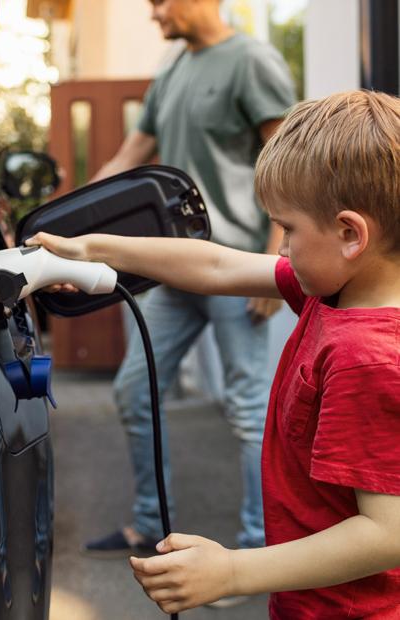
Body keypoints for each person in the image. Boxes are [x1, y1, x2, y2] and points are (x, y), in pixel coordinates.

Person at [27, 89, 400, 618]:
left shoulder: (368, 356)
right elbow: (218, 266)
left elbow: (388, 534)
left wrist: (232, 571)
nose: (283, 246)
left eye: (288, 229)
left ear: (349, 234)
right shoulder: (334, 290)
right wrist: (90, 247)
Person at [82, 0, 296, 567]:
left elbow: (287, 156)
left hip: (235, 266)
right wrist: (70, 217)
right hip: (174, 270)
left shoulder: (251, 60)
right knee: (135, 390)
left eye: (159, 0)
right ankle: (152, 525)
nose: (153, 12)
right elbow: (131, 154)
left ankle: (255, 550)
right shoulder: (172, 69)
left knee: (249, 410)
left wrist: (277, 257)